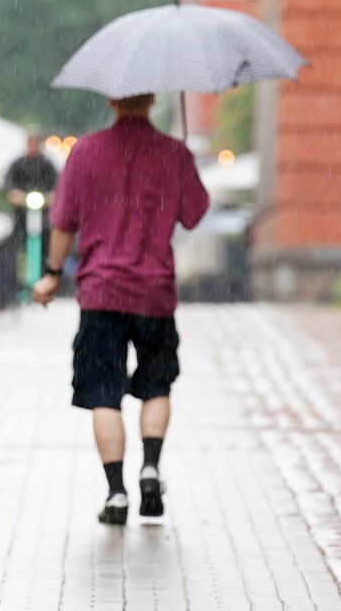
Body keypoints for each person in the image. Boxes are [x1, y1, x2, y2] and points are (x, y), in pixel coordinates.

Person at [31, 93, 208, 525]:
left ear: (112, 99)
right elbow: (194, 215)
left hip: (101, 291)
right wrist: (182, 160)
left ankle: (116, 494)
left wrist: (52, 273)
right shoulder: (174, 152)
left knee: (103, 393)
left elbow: (63, 221)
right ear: (151, 100)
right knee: (157, 384)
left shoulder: (86, 151)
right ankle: (150, 466)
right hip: (154, 291)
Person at [3, 130, 59, 288]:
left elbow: (56, 185)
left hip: (43, 216)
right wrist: (14, 194)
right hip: (22, 215)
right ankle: (18, 281)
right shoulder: (18, 163)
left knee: (47, 244)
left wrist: (51, 196)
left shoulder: (47, 164)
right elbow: (9, 184)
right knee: (17, 245)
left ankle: (44, 277)